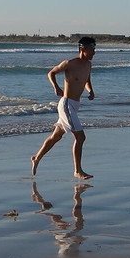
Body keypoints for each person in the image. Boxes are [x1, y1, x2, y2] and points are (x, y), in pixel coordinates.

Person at [31, 36, 96, 179]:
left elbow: (87, 80)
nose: (94, 53)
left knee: (56, 136)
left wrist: (90, 90)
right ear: (82, 49)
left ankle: (36, 157)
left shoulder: (88, 65)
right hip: (66, 104)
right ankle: (77, 171)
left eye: (94, 49)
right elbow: (51, 73)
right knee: (80, 137)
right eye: (91, 50)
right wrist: (55, 86)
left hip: (75, 105)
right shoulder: (69, 64)